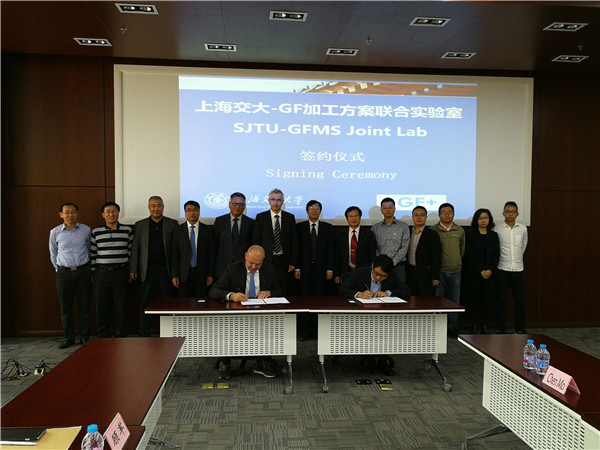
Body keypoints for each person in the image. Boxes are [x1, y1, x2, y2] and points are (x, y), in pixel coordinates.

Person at [209, 245, 283, 379]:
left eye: (258, 264)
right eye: (251, 263)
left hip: (261, 314)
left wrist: (269, 292)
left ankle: (263, 360)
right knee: (226, 327)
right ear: (245, 256)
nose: (254, 267)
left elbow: (280, 290)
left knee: (270, 327)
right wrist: (231, 295)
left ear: (263, 260)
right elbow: (214, 290)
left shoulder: (269, 269)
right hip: (237, 313)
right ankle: (226, 361)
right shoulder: (233, 268)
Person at [338, 254, 410, 375]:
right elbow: (342, 289)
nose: (378, 278)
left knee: (385, 330)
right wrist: (358, 294)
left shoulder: (392, 276)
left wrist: (388, 293)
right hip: (360, 316)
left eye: (383, 276)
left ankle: (382, 360)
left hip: (381, 316)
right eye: (376, 273)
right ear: (372, 266)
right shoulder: (359, 273)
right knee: (371, 329)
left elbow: (406, 290)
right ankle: (369, 359)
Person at [130, 195, 178, 336]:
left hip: (166, 270)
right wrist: (133, 269)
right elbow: (135, 248)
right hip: (147, 270)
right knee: (145, 303)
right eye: (153, 206)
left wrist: (175, 273)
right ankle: (144, 334)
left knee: (167, 303)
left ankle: (168, 335)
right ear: (148, 207)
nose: (156, 208)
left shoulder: (172, 224)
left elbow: (175, 250)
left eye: (158, 205)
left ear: (163, 207)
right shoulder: (140, 224)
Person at [49, 202, 92, 348]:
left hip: (83, 271)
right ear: (61, 215)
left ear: (77, 213)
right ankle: (69, 337)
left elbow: (88, 249)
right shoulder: (55, 232)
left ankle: (85, 337)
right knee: (66, 307)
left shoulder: (86, 230)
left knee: (84, 306)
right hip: (64, 273)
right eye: (67, 212)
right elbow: (53, 253)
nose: (70, 215)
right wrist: (59, 269)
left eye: (73, 212)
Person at [90, 201, 133, 338]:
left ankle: (121, 335)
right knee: (101, 306)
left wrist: (130, 271)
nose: (111, 214)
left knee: (121, 306)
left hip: (121, 272)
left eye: (114, 211)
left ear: (118, 213)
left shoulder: (127, 231)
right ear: (103, 215)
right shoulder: (96, 232)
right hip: (101, 273)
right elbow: (93, 254)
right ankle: (103, 335)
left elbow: (131, 253)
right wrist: (93, 273)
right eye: (108, 212)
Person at [295, 200, 334, 340]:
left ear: (320, 211)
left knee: (320, 301)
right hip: (304, 270)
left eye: (317, 208)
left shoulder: (327, 227)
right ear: (307, 211)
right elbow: (296, 249)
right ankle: (305, 331)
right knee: (304, 301)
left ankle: (318, 331)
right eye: (311, 208)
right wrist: (297, 267)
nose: (314, 210)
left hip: (321, 270)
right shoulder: (299, 227)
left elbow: (331, 249)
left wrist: (330, 269)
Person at [252, 188, 298, 294]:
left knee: (283, 288)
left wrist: (293, 262)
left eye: (279, 200)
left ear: (283, 202)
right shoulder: (261, 217)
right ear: (269, 201)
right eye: (273, 199)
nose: (276, 203)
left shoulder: (289, 217)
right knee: (266, 287)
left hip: (284, 260)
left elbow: (294, 242)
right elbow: (256, 240)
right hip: (266, 259)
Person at [431, 203, 465, 338]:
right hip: (439, 272)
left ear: (454, 214)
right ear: (439, 215)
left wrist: (456, 261)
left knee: (454, 301)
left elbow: (462, 249)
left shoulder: (460, 230)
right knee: (438, 301)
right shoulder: (433, 230)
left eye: (449, 212)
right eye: (443, 212)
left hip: (455, 271)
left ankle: (452, 327)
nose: (446, 215)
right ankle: (439, 329)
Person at [494, 201, 528, 334]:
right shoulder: (497, 229)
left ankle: (519, 328)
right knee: (500, 300)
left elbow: (523, 245)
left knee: (520, 301)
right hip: (502, 268)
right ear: (503, 213)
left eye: (513, 212)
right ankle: (501, 328)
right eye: (508, 211)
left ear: (517, 214)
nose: (510, 214)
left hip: (518, 269)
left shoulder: (523, 228)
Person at [464, 208, 499, 334]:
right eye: (480, 218)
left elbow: (496, 255)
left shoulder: (494, 235)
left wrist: (490, 270)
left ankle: (484, 325)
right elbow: (469, 254)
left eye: (485, 218)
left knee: (487, 300)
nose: (483, 221)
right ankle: (474, 325)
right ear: (476, 220)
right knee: (474, 299)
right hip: (474, 273)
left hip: (490, 274)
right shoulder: (470, 235)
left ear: (489, 220)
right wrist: (480, 270)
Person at [171, 200, 214, 298]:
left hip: (202, 274)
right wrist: (175, 275)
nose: (192, 213)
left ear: (199, 212)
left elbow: (211, 254)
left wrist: (210, 274)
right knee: (184, 303)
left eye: (195, 210)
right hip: (183, 275)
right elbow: (174, 254)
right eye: (189, 210)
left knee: (202, 303)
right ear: (185, 213)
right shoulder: (178, 230)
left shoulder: (207, 230)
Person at [213, 192, 254, 279]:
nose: (237, 207)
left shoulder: (250, 223)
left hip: (242, 266)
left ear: (244, 206)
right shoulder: (220, 221)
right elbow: (214, 245)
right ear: (229, 204)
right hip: (222, 267)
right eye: (234, 204)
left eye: (241, 204)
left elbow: (251, 244)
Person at [371, 197, 410, 282]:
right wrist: (380, 263)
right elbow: (373, 247)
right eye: (385, 208)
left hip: (398, 266)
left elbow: (404, 247)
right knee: (381, 289)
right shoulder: (375, 228)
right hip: (380, 268)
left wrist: (392, 263)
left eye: (390, 207)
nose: (388, 210)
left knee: (399, 288)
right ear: (381, 210)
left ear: (395, 209)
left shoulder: (403, 226)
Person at [334, 206, 376, 284]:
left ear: (360, 218)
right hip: (345, 272)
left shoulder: (368, 234)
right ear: (347, 219)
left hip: (363, 272)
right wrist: (336, 274)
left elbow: (372, 255)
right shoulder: (341, 235)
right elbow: (337, 256)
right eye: (350, 216)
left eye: (356, 216)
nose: (353, 218)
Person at [406, 206, 441, 296]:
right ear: (412, 217)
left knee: (425, 300)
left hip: (426, 274)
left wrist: (435, 276)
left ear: (426, 217)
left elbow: (436, 257)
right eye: (416, 215)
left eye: (422, 215)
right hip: (409, 272)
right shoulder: (407, 232)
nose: (419, 217)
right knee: (411, 299)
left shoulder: (432, 234)